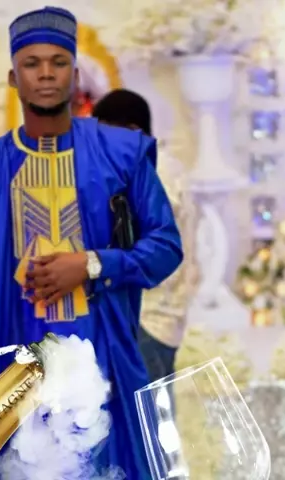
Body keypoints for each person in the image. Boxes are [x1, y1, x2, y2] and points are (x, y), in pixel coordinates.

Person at [0, 7, 183, 479]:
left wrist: (93, 264)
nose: (46, 74)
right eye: (32, 64)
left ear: (75, 75)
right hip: (12, 367)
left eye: (58, 62)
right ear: (13, 78)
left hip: (102, 364)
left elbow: (166, 245)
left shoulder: (121, 154)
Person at [92, 89, 184, 382]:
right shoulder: (167, 169)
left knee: (143, 410)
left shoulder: (152, 174)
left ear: (133, 131)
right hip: (158, 320)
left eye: (105, 135)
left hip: (146, 318)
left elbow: (157, 249)